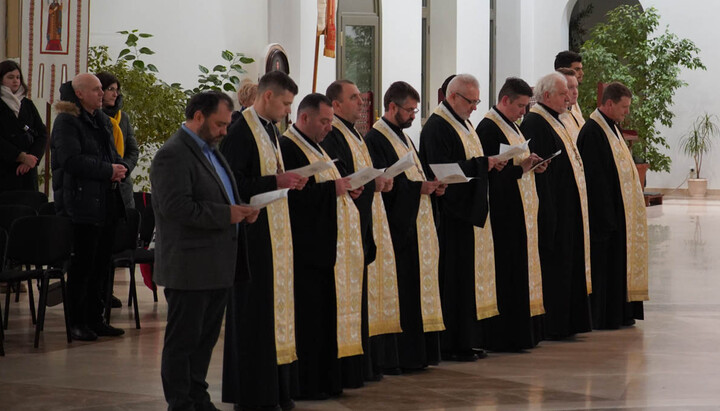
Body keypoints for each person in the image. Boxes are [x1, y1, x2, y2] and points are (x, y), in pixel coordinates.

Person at [151, 91, 258, 411]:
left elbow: (220, 195)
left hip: (217, 263)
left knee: (206, 339)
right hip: (190, 264)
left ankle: (198, 395)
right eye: (220, 124)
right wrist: (227, 215)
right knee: (183, 341)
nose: (226, 130)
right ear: (198, 116)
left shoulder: (212, 150)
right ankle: (180, 402)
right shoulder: (173, 154)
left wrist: (240, 209)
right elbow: (175, 207)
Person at [220, 70, 306, 411]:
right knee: (254, 315)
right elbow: (232, 183)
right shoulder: (240, 131)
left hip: (276, 234)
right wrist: (276, 179)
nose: (288, 111)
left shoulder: (270, 129)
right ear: (267, 97)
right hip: (253, 236)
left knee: (275, 314)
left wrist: (286, 182)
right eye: (285, 104)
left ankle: (275, 389)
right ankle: (253, 392)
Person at [279, 93, 364, 400]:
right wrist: (333, 189)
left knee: (324, 318)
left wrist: (345, 190)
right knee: (310, 320)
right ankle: (309, 383)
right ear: (304, 118)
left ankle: (326, 380)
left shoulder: (317, 147)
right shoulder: (289, 147)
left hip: (327, 248)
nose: (330, 127)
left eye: (330, 120)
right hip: (307, 250)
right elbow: (293, 200)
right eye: (324, 121)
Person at [418, 74, 502, 361]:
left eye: (478, 101)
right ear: (452, 97)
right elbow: (441, 170)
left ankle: (471, 339)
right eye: (471, 101)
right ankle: (454, 343)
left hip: (469, 216)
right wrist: (483, 163)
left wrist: (484, 164)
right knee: (455, 281)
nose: (475, 108)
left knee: (468, 280)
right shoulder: (437, 126)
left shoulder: (463, 123)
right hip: (452, 217)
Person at [321, 79, 398, 386]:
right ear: (335, 104)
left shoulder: (354, 133)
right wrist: (369, 185)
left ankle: (366, 365)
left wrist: (378, 182)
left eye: (360, 98)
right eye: (353, 98)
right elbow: (339, 179)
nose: (361, 102)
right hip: (345, 231)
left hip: (365, 222)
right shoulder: (333, 134)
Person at [364, 81, 445, 372]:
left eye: (415, 110)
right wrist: (416, 189)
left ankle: (419, 354)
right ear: (392, 107)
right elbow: (383, 183)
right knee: (405, 291)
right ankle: (406, 356)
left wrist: (431, 187)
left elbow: (411, 174)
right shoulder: (375, 138)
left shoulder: (404, 137)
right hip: (398, 228)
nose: (413, 116)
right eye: (409, 110)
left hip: (417, 225)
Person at [51, 73, 128, 341]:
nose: (104, 94)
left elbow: (113, 155)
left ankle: (97, 319)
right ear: (80, 93)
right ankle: (77, 323)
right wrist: (109, 170)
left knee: (102, 266)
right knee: (83, 267)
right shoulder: (66, 122)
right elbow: (71, 160)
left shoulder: (101, 120)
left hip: (105, 202)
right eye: (96, 90)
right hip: (80, 205)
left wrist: (121, 168)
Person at [476, 77, 548, 351]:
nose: (523, 112)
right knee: (508, 272)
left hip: (521, 210)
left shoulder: (511, 126)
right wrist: (520, 169)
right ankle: (507, 335)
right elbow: (492, 174)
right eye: (520, 105)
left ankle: (523, 332)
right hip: (503, 213)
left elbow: (514, 164)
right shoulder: (488, 128)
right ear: (505, 100)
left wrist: (530, 164)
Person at [521, 72, 592, 341]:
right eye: (563, 93)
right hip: (553, 209)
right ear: (547, 95)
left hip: (566, 208)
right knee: (556, 265)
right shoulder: (536, 122)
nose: (568, 97)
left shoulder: (554, 120)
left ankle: (568, 322)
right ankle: (555, 324)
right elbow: (541, 171)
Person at [576, 81, 647, 329]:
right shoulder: (593, 132)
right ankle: (606, 316)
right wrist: (607, 218)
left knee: (617, 266)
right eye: (624, 107)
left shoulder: (612, 128)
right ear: (608, 104)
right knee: (605, 268)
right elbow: (595, 180)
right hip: (605, 217)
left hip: (619, 214)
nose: (626, 112)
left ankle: (620, 312)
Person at [0, 60, 48, 193]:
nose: (15, 81)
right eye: (10, 77)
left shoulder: (27, 104)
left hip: (27, 172)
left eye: (18, 77)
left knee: (28, 209)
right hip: (5, 170)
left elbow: (42, 133)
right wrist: (19, 156)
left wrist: (31, 158)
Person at [96, 72, 139, 209]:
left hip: (122, 187)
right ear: (100, 90)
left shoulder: (123, 118)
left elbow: (133, 150)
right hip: (98, 184)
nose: (115, 94)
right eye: (111, 89)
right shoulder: (91, 116)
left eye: (117, 90)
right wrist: (109, 171)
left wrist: (123, 170)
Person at [554, 50, 585, 127]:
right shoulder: (555, 105)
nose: (582, 73)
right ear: (564, 71)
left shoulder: (573, 102)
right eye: (577, 69)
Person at [557, 68, 583, 142]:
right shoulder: (556, 118)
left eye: (576, 87)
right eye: (570, 87)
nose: (575, 92)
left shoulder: (574, 111)